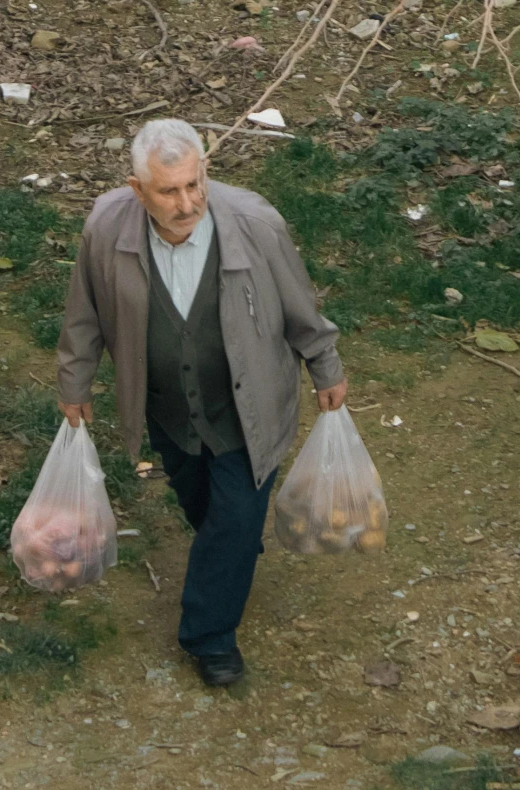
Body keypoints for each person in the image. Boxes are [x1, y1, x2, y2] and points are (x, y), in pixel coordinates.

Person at [56, 116, 347, 686]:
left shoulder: (255, 225)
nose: (186, 203)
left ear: (205, 173)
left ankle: (210, 637)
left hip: (248, 405)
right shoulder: (107, 228)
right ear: (138, 191)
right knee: (201, 503)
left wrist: (324, 365)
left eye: (194, 185)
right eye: (168, 191)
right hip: (166, 408)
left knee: (235, 514)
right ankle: (232, 552)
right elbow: (84, 313)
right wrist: (75, 381)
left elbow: (299, 303)